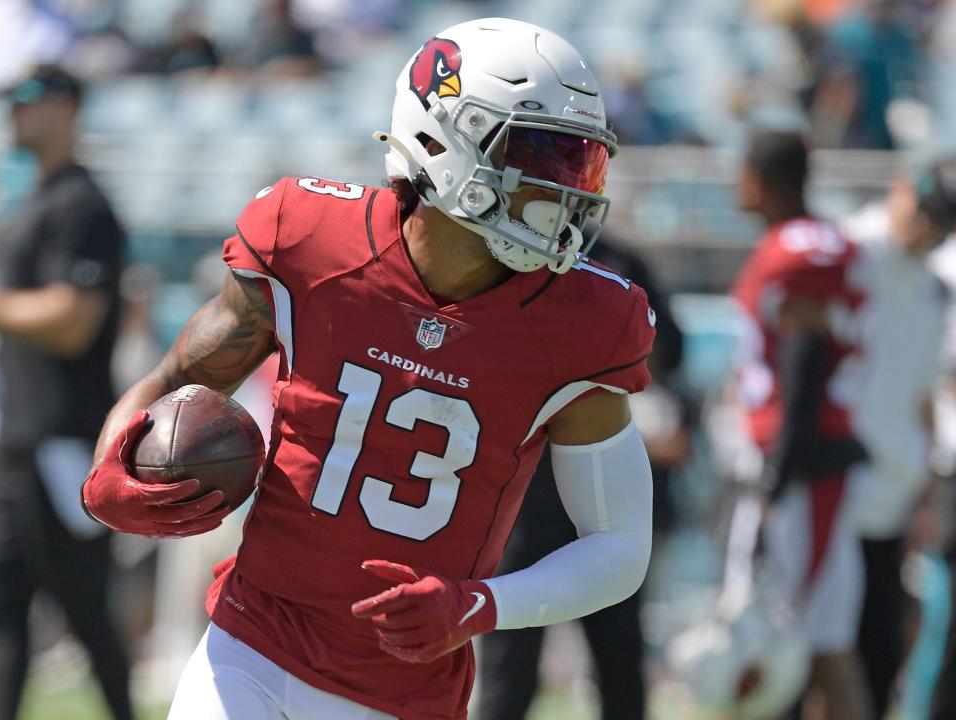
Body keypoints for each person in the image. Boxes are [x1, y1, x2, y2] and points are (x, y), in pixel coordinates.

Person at [79, 18, 656, 720]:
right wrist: (112, 466)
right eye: (537, 152)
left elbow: (620, 544)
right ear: (443, 137)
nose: (562, 188)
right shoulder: (307, 239)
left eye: (577, 161)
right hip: (250, 648)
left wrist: (482, 605)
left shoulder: (585, 321)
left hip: (404, 691)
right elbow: (174, 380)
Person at [475, 240, 688, 720]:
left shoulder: (619, 264)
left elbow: (671, 348)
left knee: (617, 655)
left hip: (594, 486)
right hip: (527, 492)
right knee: (511, 662)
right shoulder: (502, 254)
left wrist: (602, 352)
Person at [0, 65, 133, 720]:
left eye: (26, 99)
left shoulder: (82, 204)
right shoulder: (37, 200)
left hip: (64, 447)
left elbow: (72, 321)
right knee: (2, 616)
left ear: (67, 106)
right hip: (19, 444)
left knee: (86, 611)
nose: (13, 113)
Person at [731, 129, 871, 719]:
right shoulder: (811, 241)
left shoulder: (800, 249)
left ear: (761, 180)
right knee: (815, 640)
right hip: (808, 464)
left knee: (798, 639)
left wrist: (776, 478)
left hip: (802, 468)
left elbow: (805, 367)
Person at [840, 158, 956, 717]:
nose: (926, 229)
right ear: (902, 187)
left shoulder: (935, 286)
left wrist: (928, 489)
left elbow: (922, 396)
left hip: (893, 500)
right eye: (924, 213)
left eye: (941, 222)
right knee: (808, 656)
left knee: (880, 658)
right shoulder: (846, 251)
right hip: (834, 489)